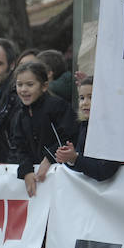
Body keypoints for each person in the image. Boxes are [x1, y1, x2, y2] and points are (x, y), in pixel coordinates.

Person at [11, 61, 77, 197]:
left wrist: (48, 159)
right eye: (19, 84)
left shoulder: (57, 106)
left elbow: (69, 136)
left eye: (30, 84)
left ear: (44, 86)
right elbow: (20, 147)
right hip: (38, 182)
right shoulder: (19, 115)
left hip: (64, 178)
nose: (23, 89)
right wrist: (27, 170)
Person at [54, 76, 121, 181]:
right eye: (82, 98)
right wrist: (69, 158)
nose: (85, 102)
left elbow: (104, 171)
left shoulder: (112, 130)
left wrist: (75, 159)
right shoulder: (84, 125)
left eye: (91, 97)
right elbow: (83, 164)